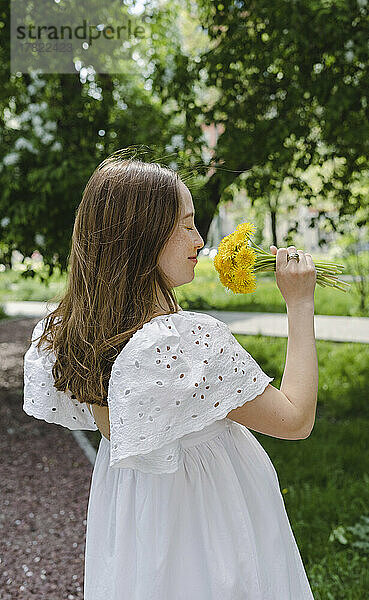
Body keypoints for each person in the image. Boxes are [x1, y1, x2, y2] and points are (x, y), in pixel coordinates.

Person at [23, 149, 318, 599]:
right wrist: (300, 303)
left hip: (140, 538)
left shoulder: (77, 334)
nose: (200, 240)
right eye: (186, 224)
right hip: (209, 535)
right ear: (142, 235)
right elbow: (296, 419)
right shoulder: (183, 343)